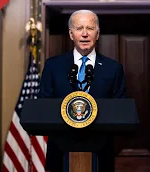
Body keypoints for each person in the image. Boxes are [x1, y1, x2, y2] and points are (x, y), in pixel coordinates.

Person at [38, 9, 126, 172]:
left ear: (97, 34)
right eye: (79, 29)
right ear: (71, 34)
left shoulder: (113, 68)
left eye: (90, 28)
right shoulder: (53, 66)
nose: (85, 34)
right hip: (61, 152)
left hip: (100, 154)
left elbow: (120, 110)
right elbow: (43, 106)